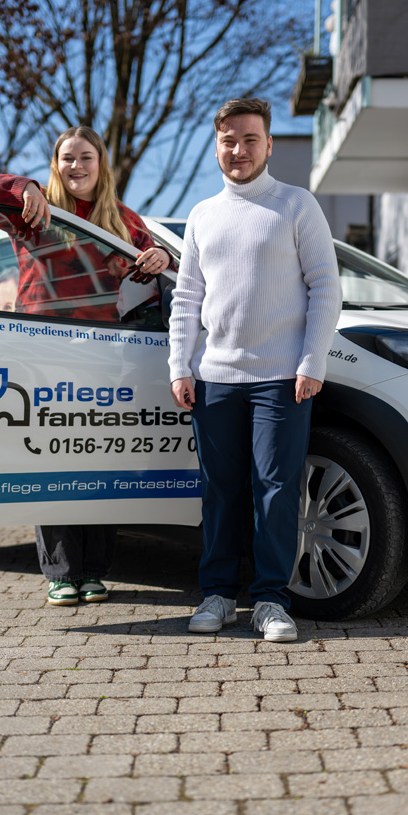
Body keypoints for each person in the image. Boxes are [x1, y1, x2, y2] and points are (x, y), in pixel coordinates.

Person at [0, 126, 172, 607]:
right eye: (65, 158)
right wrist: (23, 187)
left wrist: (159, 255)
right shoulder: (32, 212)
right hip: (42, 351)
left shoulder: (121, 220)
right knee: (54, 457)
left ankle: (95, 571)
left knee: (97, 458)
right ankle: (61, 572)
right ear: (55, 164)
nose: (75, 166)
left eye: (85, 158)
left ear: (101, 165)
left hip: (102, 352)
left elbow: (158, 263)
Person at [168, 98, 342, 642]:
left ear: (268, 145)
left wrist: (312, 361)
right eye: (228, 141)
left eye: (249, 140)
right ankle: (217, 596)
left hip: (280, 380)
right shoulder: (202, 215)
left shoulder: (296, 205)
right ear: (216, 146)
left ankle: (270, 600)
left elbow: (325, 287)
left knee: (276, 489)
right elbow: (187, 298)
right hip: (215, 377)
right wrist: (180, 365)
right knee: (219, 491)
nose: (238, 150)